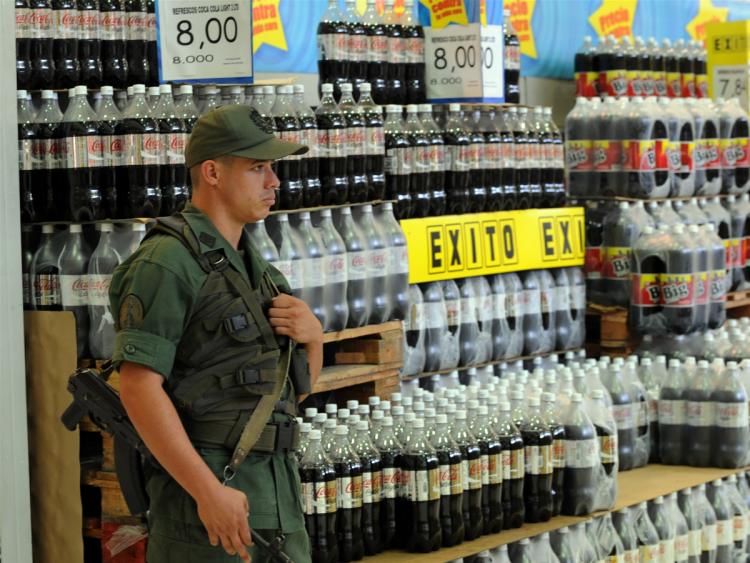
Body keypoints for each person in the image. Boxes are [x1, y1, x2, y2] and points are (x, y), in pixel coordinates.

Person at [109, 104, 323, 562]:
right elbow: (137, 386)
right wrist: (207, 493)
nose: (274, 182)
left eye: (273, 169)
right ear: (212, 172)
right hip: (206, 503)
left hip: (274, 497)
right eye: (258, 168)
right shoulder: (166, 263)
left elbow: (291, 393)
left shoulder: (253, 269)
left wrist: (313, 337)